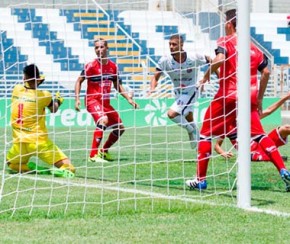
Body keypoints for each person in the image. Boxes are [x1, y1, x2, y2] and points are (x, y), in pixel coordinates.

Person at [186, 9, 290, 191]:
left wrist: (207, 74)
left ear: (228, 24)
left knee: (204, 134)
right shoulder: (253, 48)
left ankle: (200, 180)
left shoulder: (225, 41)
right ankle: (283, 171)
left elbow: (218, 59)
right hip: (249, 95)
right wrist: (259, 98)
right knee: (260, 135)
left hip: (228, 95)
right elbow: (266, 71)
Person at [75, 38, 139, 163]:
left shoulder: (113, 66)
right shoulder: (90, 66)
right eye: (96, 48)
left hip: (106, 103)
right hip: (92, 100)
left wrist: (129, 99)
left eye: (101, 47)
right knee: (103, 120)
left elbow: (117, 85)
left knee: (120, 129)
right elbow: (79, 81)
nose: (99, 50)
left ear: (107, 48)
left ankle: (103, 151)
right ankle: (93, 155)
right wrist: (77, 99)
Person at [6, 64, 75, 178]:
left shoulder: (16, 90)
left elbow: (31, 84)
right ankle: (55, 171)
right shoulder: (45, 95)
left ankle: (35, 169)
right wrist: (58, 100)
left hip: (20, 143)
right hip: (39, 142)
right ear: (37, 78)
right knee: (69, 167)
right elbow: (54, 109)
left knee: (12, 164)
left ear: (25, 78)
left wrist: (35, 80)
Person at [149, 34, 213, 149]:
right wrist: (152, 88)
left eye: (174, 44)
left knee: (172, 114)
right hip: (178, 92)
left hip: (192, 89)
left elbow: (212, 61)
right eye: (170, 44)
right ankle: (200, 145)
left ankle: (191, 130)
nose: (171, 47)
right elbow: (155, 76)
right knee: (188, 116)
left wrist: (211, 77)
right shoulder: (165, 60)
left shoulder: (193, 57)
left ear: (181, 45)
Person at [215, 92, 290, 163]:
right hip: (250, 152)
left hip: (263, 143)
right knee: (264, 157)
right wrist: (223, 153)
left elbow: (268, 111)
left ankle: (270, 154)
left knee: (286, 128)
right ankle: (270, 155)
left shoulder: (246, 118)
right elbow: (217, 146)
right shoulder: (226, 126)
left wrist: (286, 97)